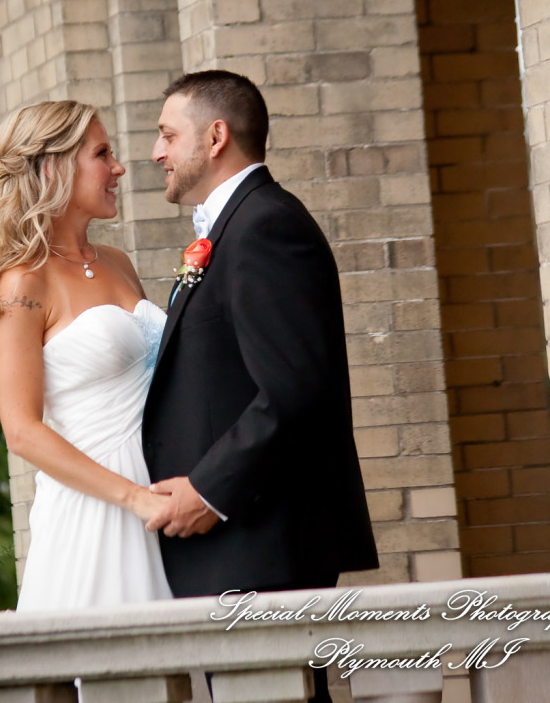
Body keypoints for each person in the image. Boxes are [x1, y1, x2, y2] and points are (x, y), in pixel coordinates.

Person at [143, 71, 378, 701]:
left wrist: (207, 492)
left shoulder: (266, 227)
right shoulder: (232, 228)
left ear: (215, 136)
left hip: (258, 538)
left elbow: (295, 389)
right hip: (238, 543)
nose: (156, 152)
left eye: (168, 135)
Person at [0, 100, 172, 610]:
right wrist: (130, 497)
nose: (118, 168)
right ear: (55, 167)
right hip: (98, 508)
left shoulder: (118, 262)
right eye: (102, 153)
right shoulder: (23, 283)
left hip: (162, 493)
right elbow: (22, 430)